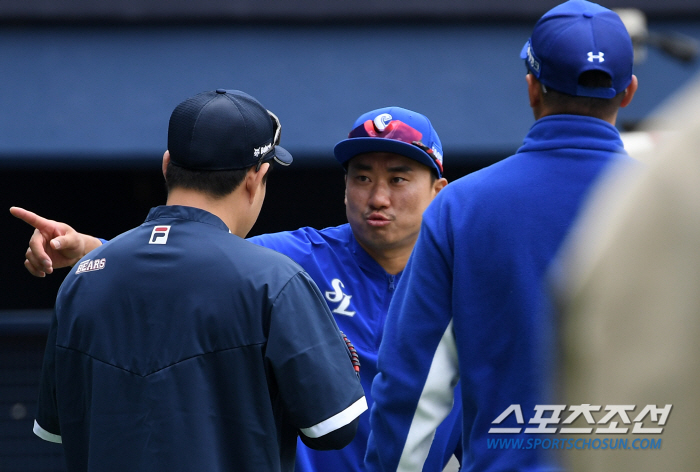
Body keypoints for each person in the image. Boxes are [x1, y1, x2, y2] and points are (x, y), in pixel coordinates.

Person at [12, 106, 463, 471]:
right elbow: (195, 259)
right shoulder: (296, 256)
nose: (377, 196)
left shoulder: (469, 275)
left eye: (398, 178)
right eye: (361, 176)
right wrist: (90, 248)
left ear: (438, 190)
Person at [363, 1, 639, 470]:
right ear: (629, 92)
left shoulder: (461, 207)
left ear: (532, 87)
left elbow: (416, 383)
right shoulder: (680, 208)